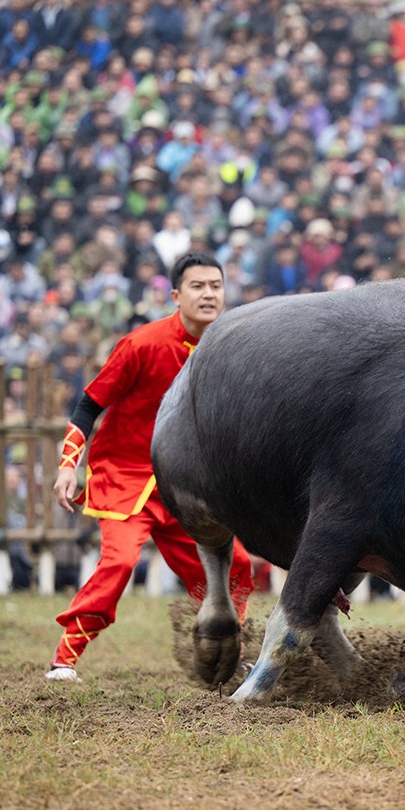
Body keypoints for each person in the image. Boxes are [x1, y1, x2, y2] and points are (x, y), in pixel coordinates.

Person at [46, 251, 253, 682]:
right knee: (119, 564)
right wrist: (68, 466)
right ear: (176, 295)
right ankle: (64, 659)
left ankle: (229, 655)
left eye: (216, 286)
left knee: (235, 567)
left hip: (186, 488)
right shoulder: (142, 343)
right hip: (125, 476)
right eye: (198, 286)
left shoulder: (236, 349)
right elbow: (88, 406)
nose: (209, 294)